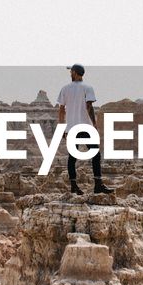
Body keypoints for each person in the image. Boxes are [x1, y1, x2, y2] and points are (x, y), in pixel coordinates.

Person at [56, 64, 113, 195]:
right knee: (96, 154)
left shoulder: (65, 89)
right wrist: (94, 124)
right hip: (86, 127)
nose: (70, 73)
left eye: (71, 71)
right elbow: (89, 107)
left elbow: (61, 110)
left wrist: (61, 127)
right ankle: (98, 185)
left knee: (72, 157)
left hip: (71, 128)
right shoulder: (88, 88)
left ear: (75, 73)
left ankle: (74, 186)